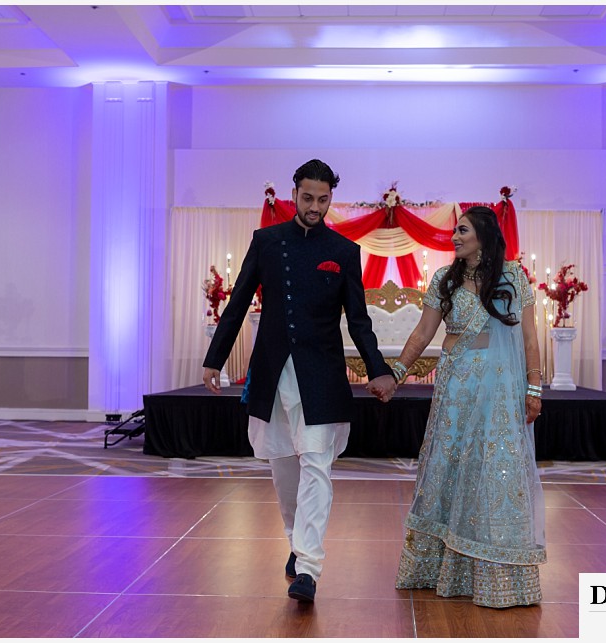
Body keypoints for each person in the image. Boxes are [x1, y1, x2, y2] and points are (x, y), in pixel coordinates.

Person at [203, 159, 397, 603]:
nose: (315, 206)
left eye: (323, 199)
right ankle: (296, 539)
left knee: (316, 464)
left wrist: (379, 369)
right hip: (272, 371)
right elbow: (236, 304)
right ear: (294, 194)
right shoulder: (267, 242)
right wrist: (214, 359)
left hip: (321, 375)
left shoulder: (344, 251)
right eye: (307, 198)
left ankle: (308, 565)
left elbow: (360, 321)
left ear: (332, 198)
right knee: (283, 466)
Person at [391, 206, 546, 608]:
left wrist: (534, 388)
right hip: (456, 386)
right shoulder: (445, 279)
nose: (455, 237)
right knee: (448, 465)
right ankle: (437, 567)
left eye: (462, 231)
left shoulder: (513, 277)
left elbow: (530, 339)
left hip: (499, 388)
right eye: (455, 231)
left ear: (483, 234)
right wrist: (397, 373)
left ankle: (497, 572)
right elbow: (423, 332)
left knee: (493, 468)